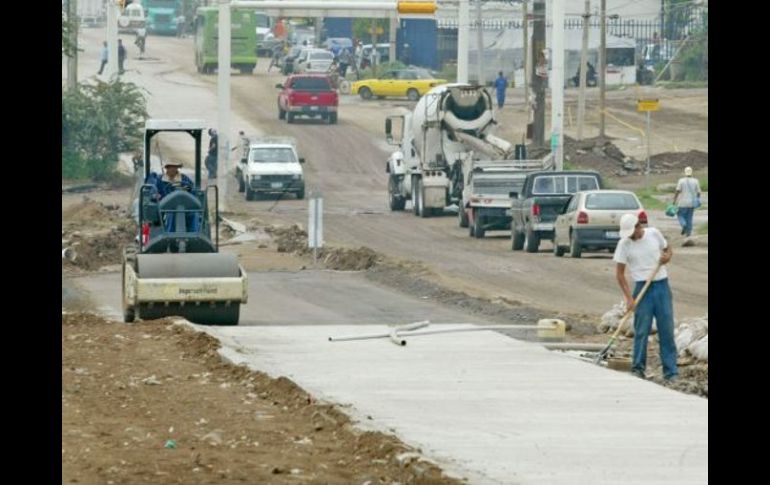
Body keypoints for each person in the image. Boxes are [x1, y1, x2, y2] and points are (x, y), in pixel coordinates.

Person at [613, 213, 678, 382]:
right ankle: (637, 369)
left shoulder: (654, 234)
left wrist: (667, 257)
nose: (630, 236)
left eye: (631, 232)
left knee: (667, 330)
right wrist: (629, 298)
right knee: (641, 331)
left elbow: (667, 248)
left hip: (661, 285)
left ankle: (671, 372)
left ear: (638, 226)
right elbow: (620, 274)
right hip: (642, 288)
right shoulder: (624, 244)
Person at [672, 166, 702, 237]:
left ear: (685, 172)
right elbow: (699, 192)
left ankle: (683, 225)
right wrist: (696, 199)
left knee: (680, 215)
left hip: (682, 203)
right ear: (692, 172)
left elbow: (677, 191)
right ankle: (688, 234)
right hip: (691, 204)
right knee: (689, 218)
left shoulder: (681, 180)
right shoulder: (696, 181)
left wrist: (674, 200)